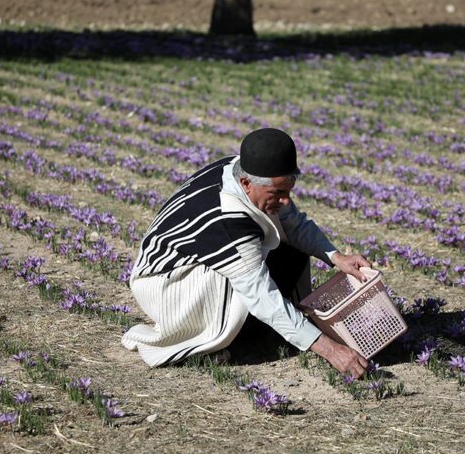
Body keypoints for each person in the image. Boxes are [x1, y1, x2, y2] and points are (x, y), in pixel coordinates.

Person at [122, 128, 372, 378]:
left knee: (289, 249)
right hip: (165, 281)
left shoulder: (245, 169)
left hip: (188, 263)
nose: (286, 200)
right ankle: (212, 342)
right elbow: (262, 297)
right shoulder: (229, 219)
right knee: (244, 284)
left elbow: (293, 224)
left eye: (288, 190)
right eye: (278, 193)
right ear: (246, 183)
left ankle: (266, 330)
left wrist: (337, 257)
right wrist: (331, 350)